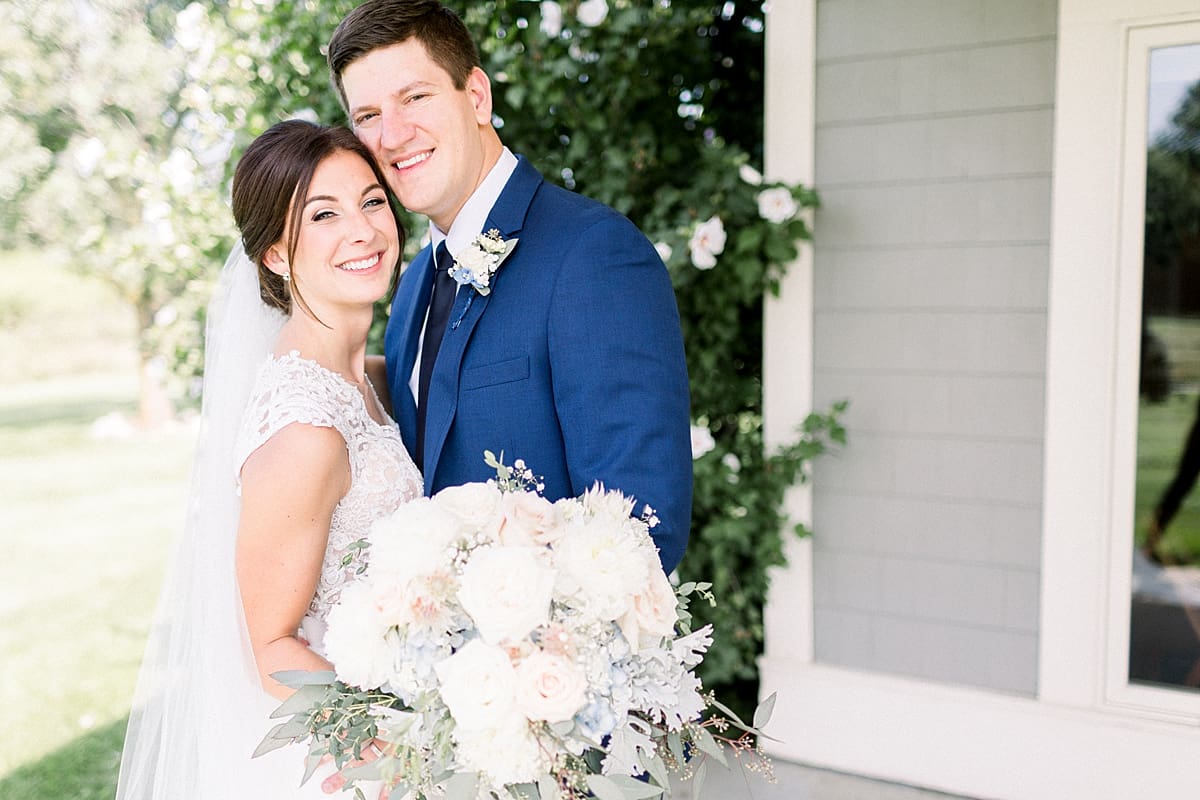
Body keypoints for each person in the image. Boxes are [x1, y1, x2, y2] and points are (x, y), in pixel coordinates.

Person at [327, 0, 693, 573]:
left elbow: (640, 530)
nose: (393, 134)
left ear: (476, 96)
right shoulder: (411, 285)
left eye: (414, 97)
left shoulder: (594, 256)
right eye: (367, 116)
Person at [115, 120, 422, 798]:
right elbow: (271, 647)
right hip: (357, 763)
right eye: (324, 215)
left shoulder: (361, 375)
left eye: (372, 201)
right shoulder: (305, 429)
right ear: (278, 256)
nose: (364, 230)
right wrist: (401, 749)